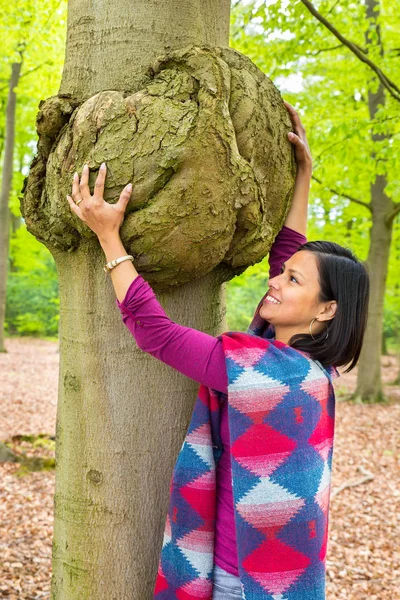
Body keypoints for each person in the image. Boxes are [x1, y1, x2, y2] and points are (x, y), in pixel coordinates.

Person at [67, 103, 369, 600]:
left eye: (291, 280)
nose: (275, 280)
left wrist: (108, 236)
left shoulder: (266, 375)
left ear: (326, 310)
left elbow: (155, 333)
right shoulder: (314, 367)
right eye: (283, 271)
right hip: (288, 578)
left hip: (244, 586)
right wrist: (303, 174)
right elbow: (289, 250)